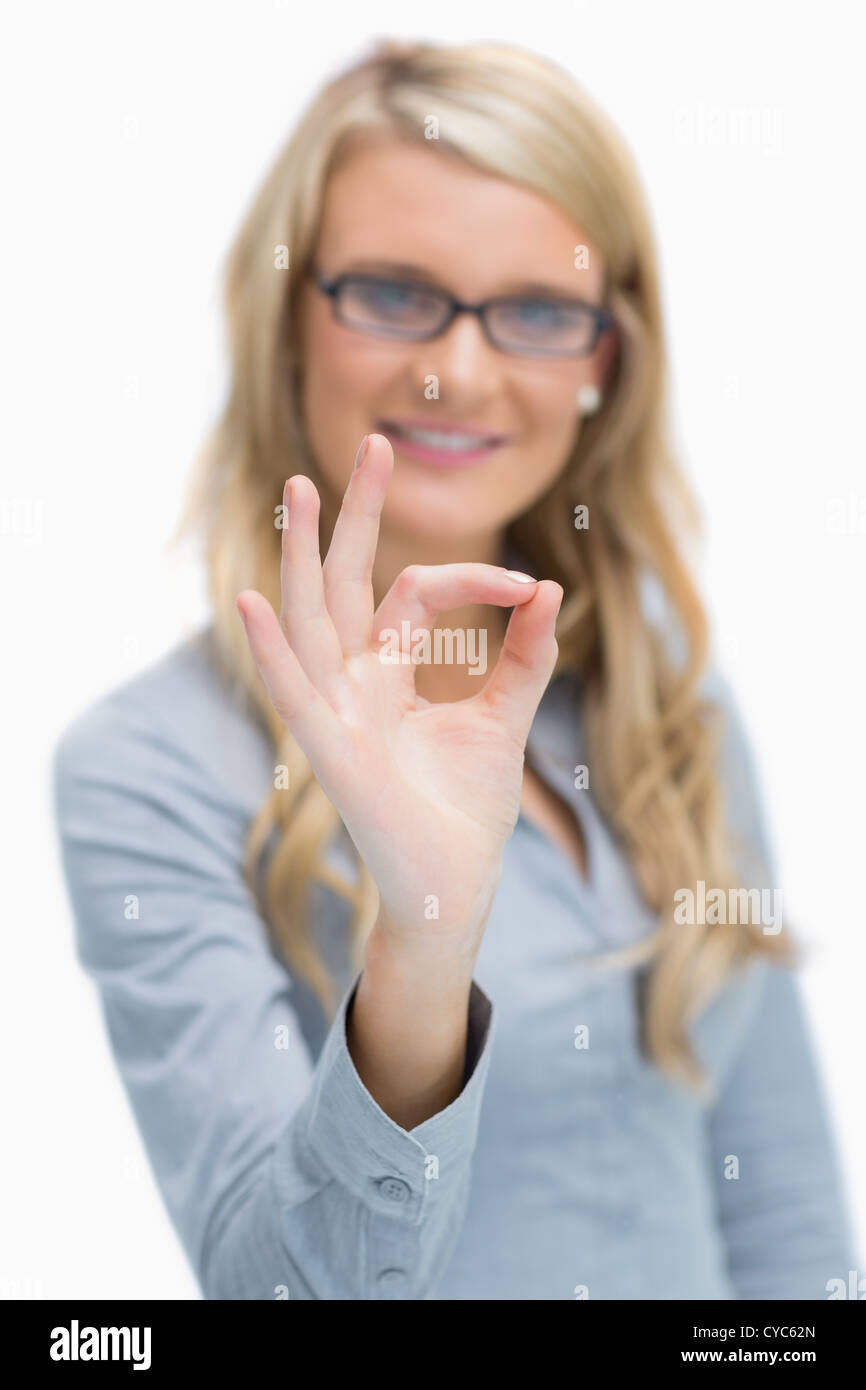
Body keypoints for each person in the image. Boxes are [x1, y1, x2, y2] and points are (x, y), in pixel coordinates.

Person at [53, 38, 855, 1300]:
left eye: (537, 310)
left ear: (602, 359)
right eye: (391, 290)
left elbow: (790, 1243)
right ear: (284, 321)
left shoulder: (670, 715)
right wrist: (424, 949)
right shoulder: (153, 767)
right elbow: (280, 1293)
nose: (461, 368)